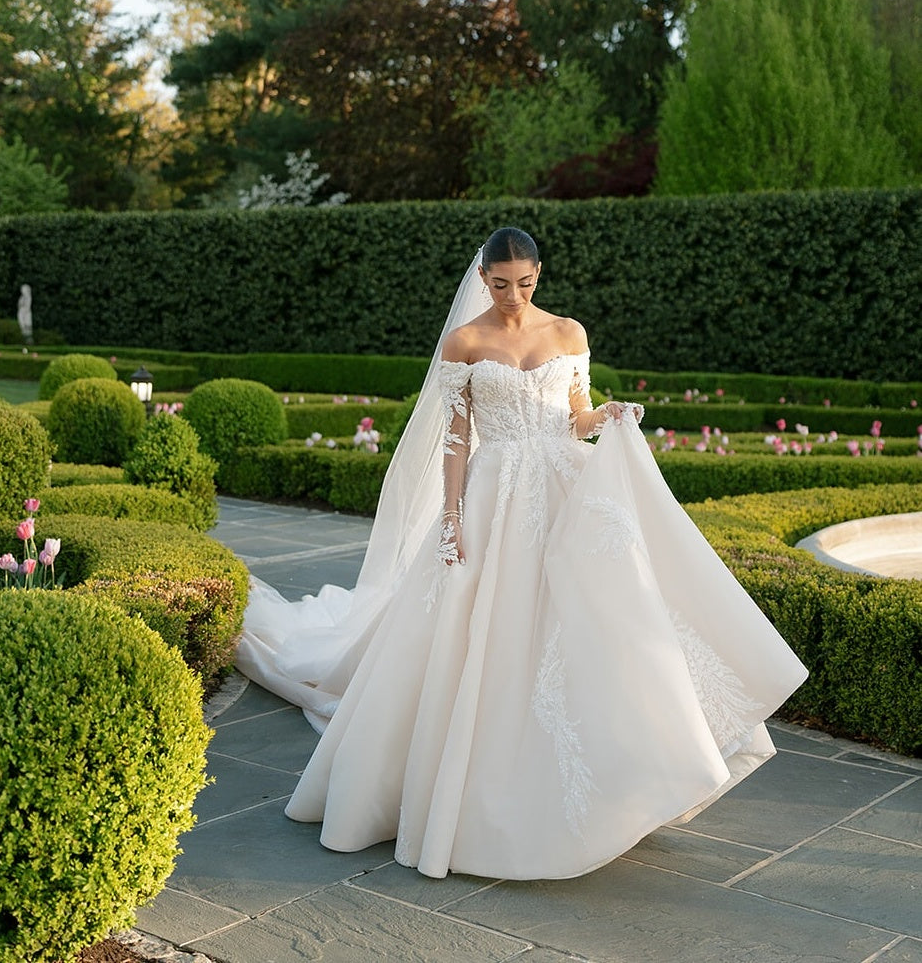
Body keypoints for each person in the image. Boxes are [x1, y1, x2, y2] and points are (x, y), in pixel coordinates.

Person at [236, 227, 807, 880]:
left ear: (539, 274)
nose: (514, 295)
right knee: (489, 632)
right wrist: (452, 518)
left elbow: (575, 417)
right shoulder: (465, 341)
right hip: (494, 497)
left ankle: (629, 770)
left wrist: (610, 415)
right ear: (484, 278)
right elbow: (456, 440)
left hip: (565, 489)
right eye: (502, 284)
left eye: (525, 283)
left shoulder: (568, 332)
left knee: (604, 619)